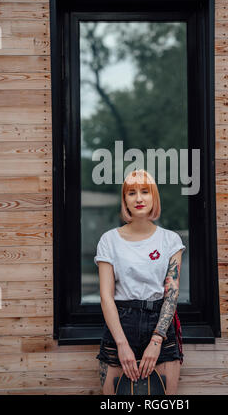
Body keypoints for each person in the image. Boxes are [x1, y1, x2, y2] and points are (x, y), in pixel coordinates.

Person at [94, 169, 186, 395]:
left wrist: (156, 341)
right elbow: (106, 297)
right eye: (131, 193)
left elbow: (171, 294)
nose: (138, 198)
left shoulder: (170, 240)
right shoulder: (109, 240)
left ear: (154, 197)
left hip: (160, 326)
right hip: (120, 324)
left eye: (145, 191)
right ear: (124, 199)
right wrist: (122, 345)